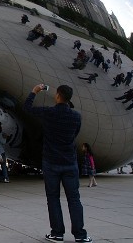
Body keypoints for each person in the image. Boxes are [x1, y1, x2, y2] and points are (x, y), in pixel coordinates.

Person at [24, 84, 92, 242]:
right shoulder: (76, 116)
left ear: (57, 96)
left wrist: (34, 91)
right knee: (74, 199)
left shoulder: (49, 113)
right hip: (69, 162)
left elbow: (27, 108)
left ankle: (57, 233)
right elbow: (75, 134)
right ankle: (80, 235)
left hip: (51, 161)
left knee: (53, 198)